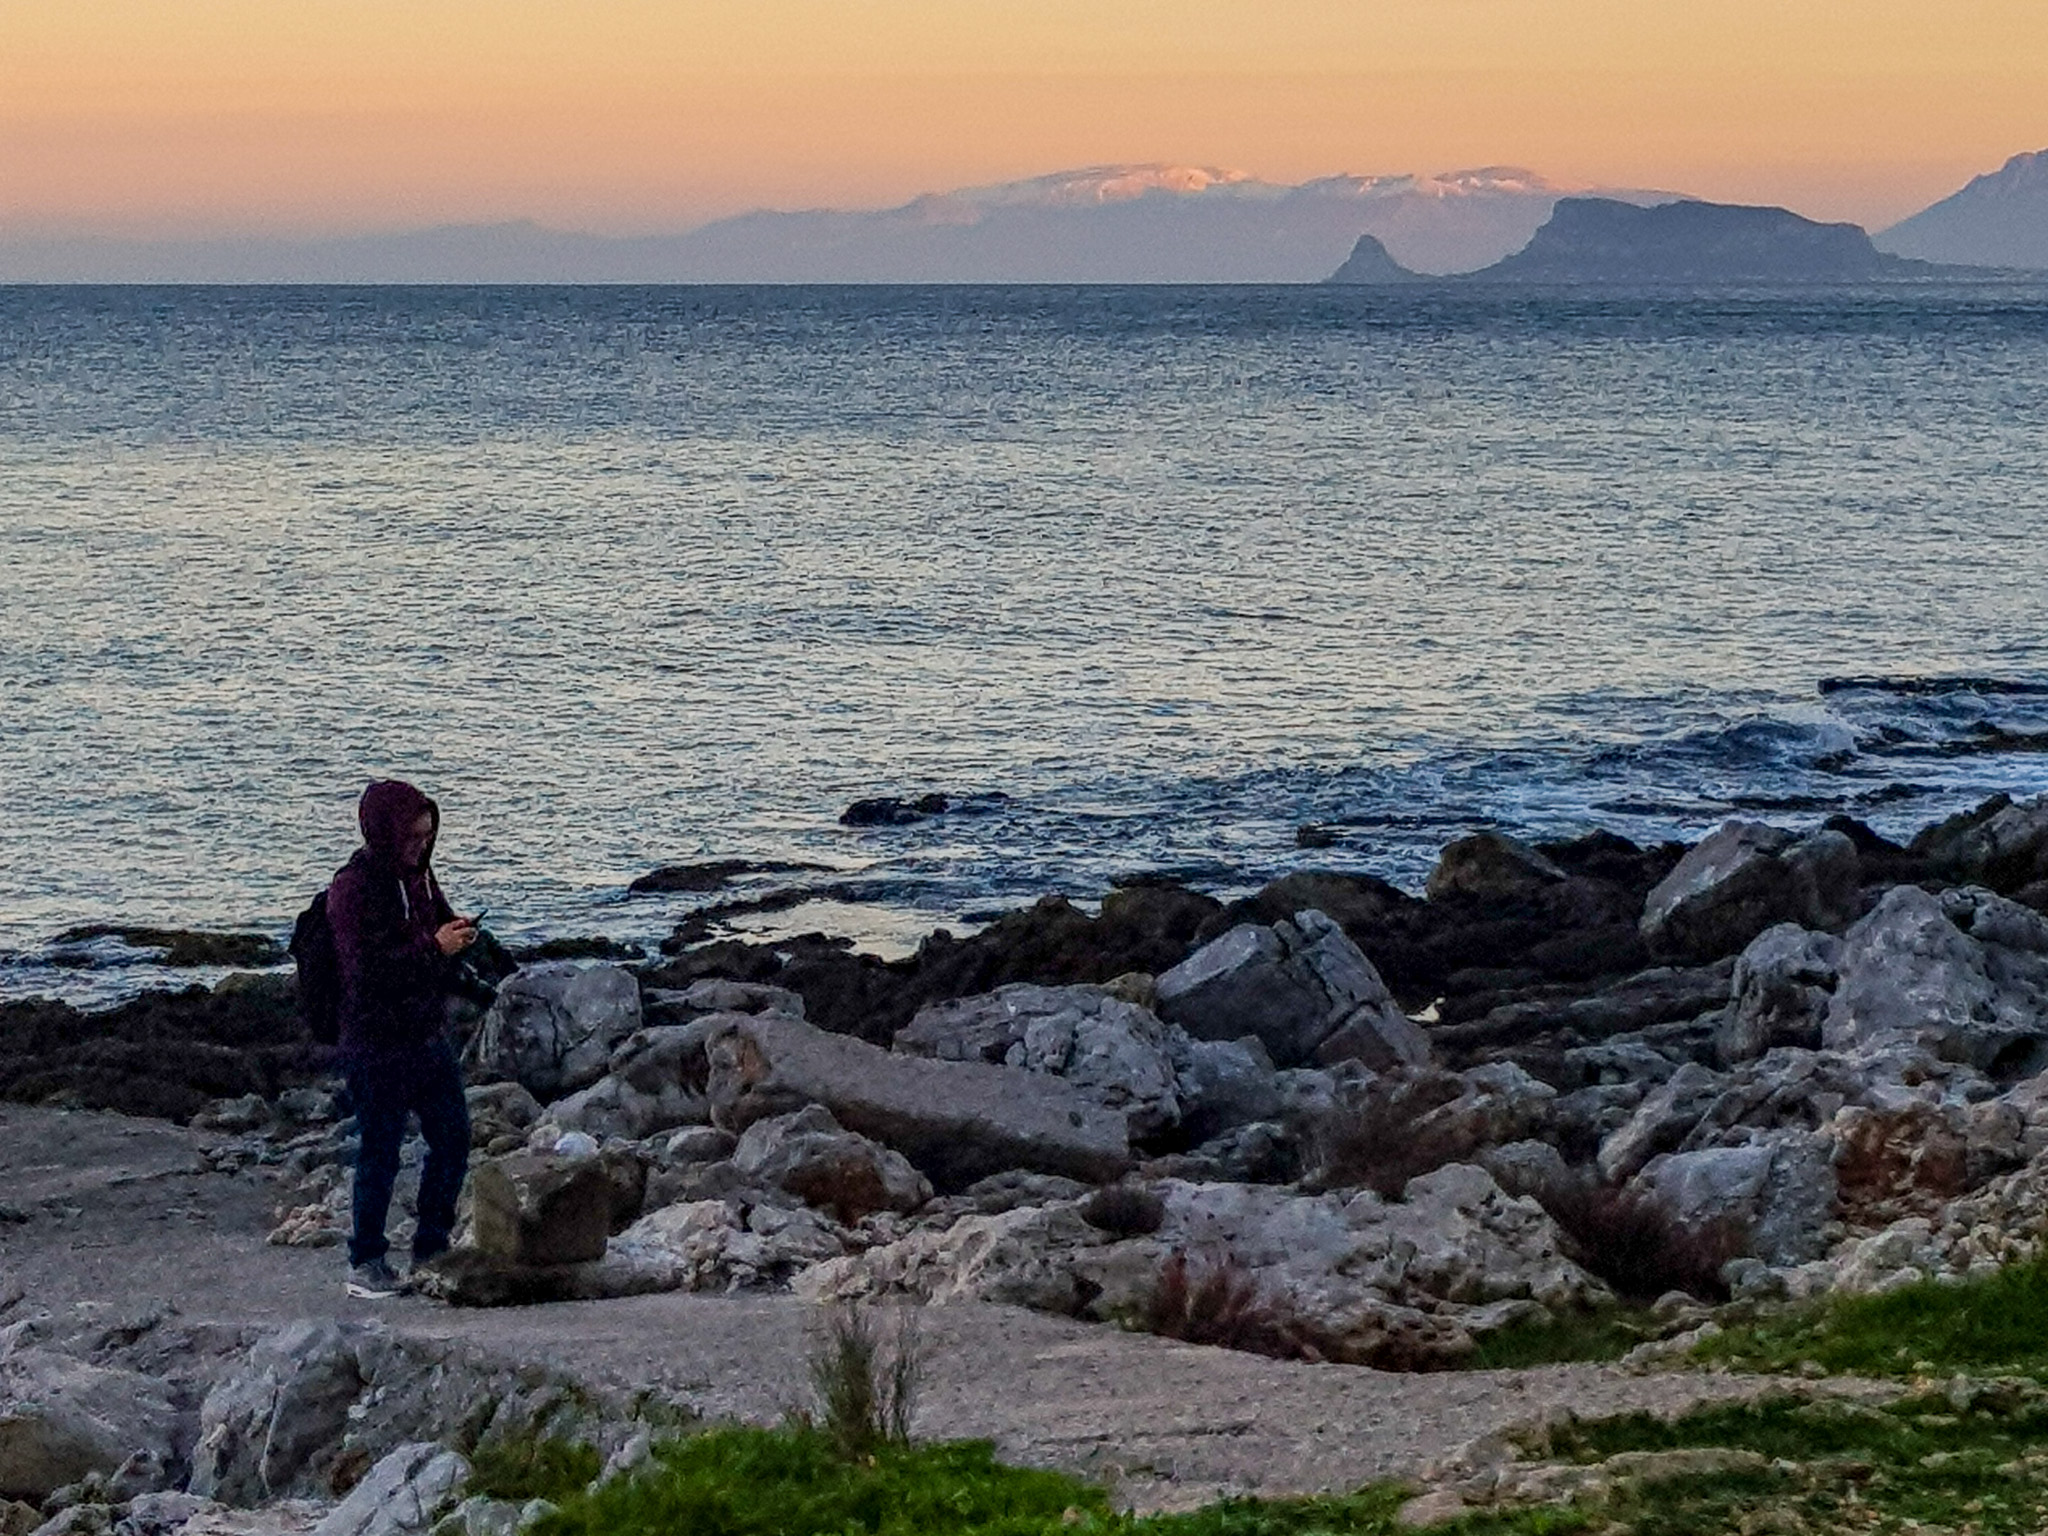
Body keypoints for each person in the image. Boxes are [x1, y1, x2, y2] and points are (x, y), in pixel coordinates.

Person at [327, 778, 479, 1299]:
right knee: (381, 1149)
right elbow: (367, 970)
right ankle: (365, 1260)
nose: (420, 847)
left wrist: (459, 936)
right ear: (386, 833)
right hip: (375, 1039)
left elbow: (435, 927)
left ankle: (431, 1248)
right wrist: (433, 948)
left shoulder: (419, 876)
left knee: (453, 1139)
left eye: (427, 837)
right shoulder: (353, 888)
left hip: (425, 1031)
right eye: (412, 838)